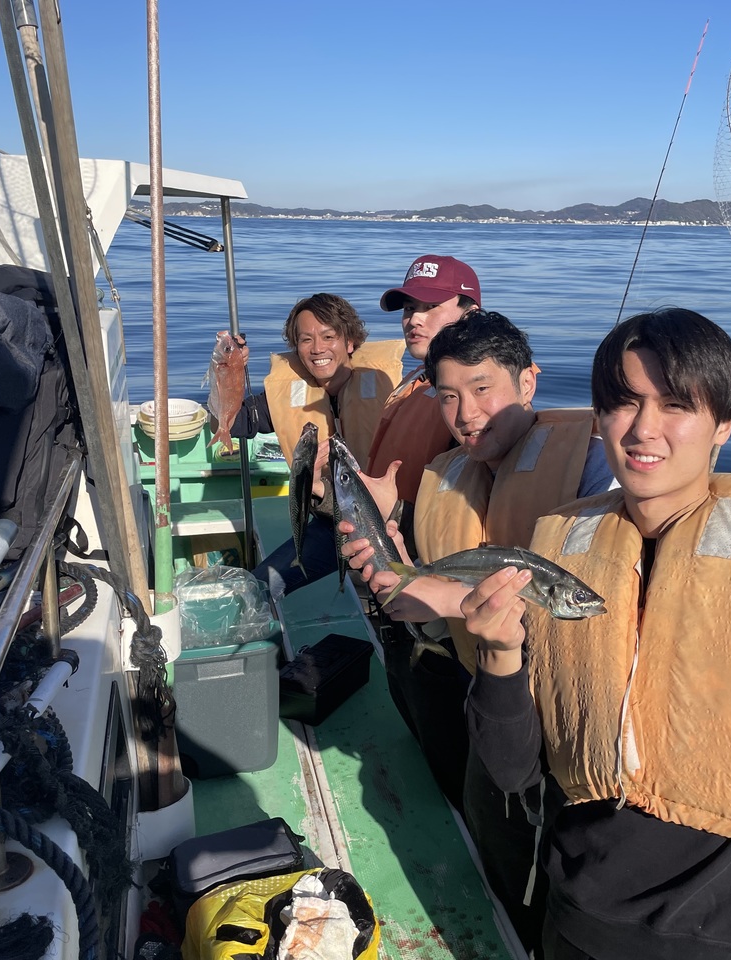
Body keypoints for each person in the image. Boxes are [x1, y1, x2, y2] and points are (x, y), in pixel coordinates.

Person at [461, 307, 731, 960]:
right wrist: (499, 655)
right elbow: (512, 770)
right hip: (572, 923)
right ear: (599, 417)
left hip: (718, 940)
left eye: (676, 404)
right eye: (622, 403)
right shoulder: (559, 558)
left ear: (724, 424)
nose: (643, 429)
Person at [343, 310, 612, 955]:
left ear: (528, 383)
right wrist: (394, 559)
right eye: (448, 396)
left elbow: (595, 610)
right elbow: (426, 589)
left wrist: (455, 600)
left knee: (545, 884)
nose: (466, 414)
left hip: (558, 733)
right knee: (489, 857)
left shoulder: (595, 467)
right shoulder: (448, 473)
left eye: (483, 388)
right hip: (480, 702)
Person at [232, 293, 402, 593]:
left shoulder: (392, 392)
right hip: (329, 526)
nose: (317, 348)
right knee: (256, 589)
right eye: (306, 339)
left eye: (328, 336)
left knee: (399, 596)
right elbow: (232, 422)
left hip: (385, 522)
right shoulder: (286, 397)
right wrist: (229, 371)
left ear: (350, 342)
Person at [360, 254, 480, 548]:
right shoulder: (419, 378)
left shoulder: (477, 404)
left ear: (470, 315)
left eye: (431, 307)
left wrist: (391, 513)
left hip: (419, 558)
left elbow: (467, 524)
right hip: (377, 534)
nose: (414, 319)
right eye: (410, 308)